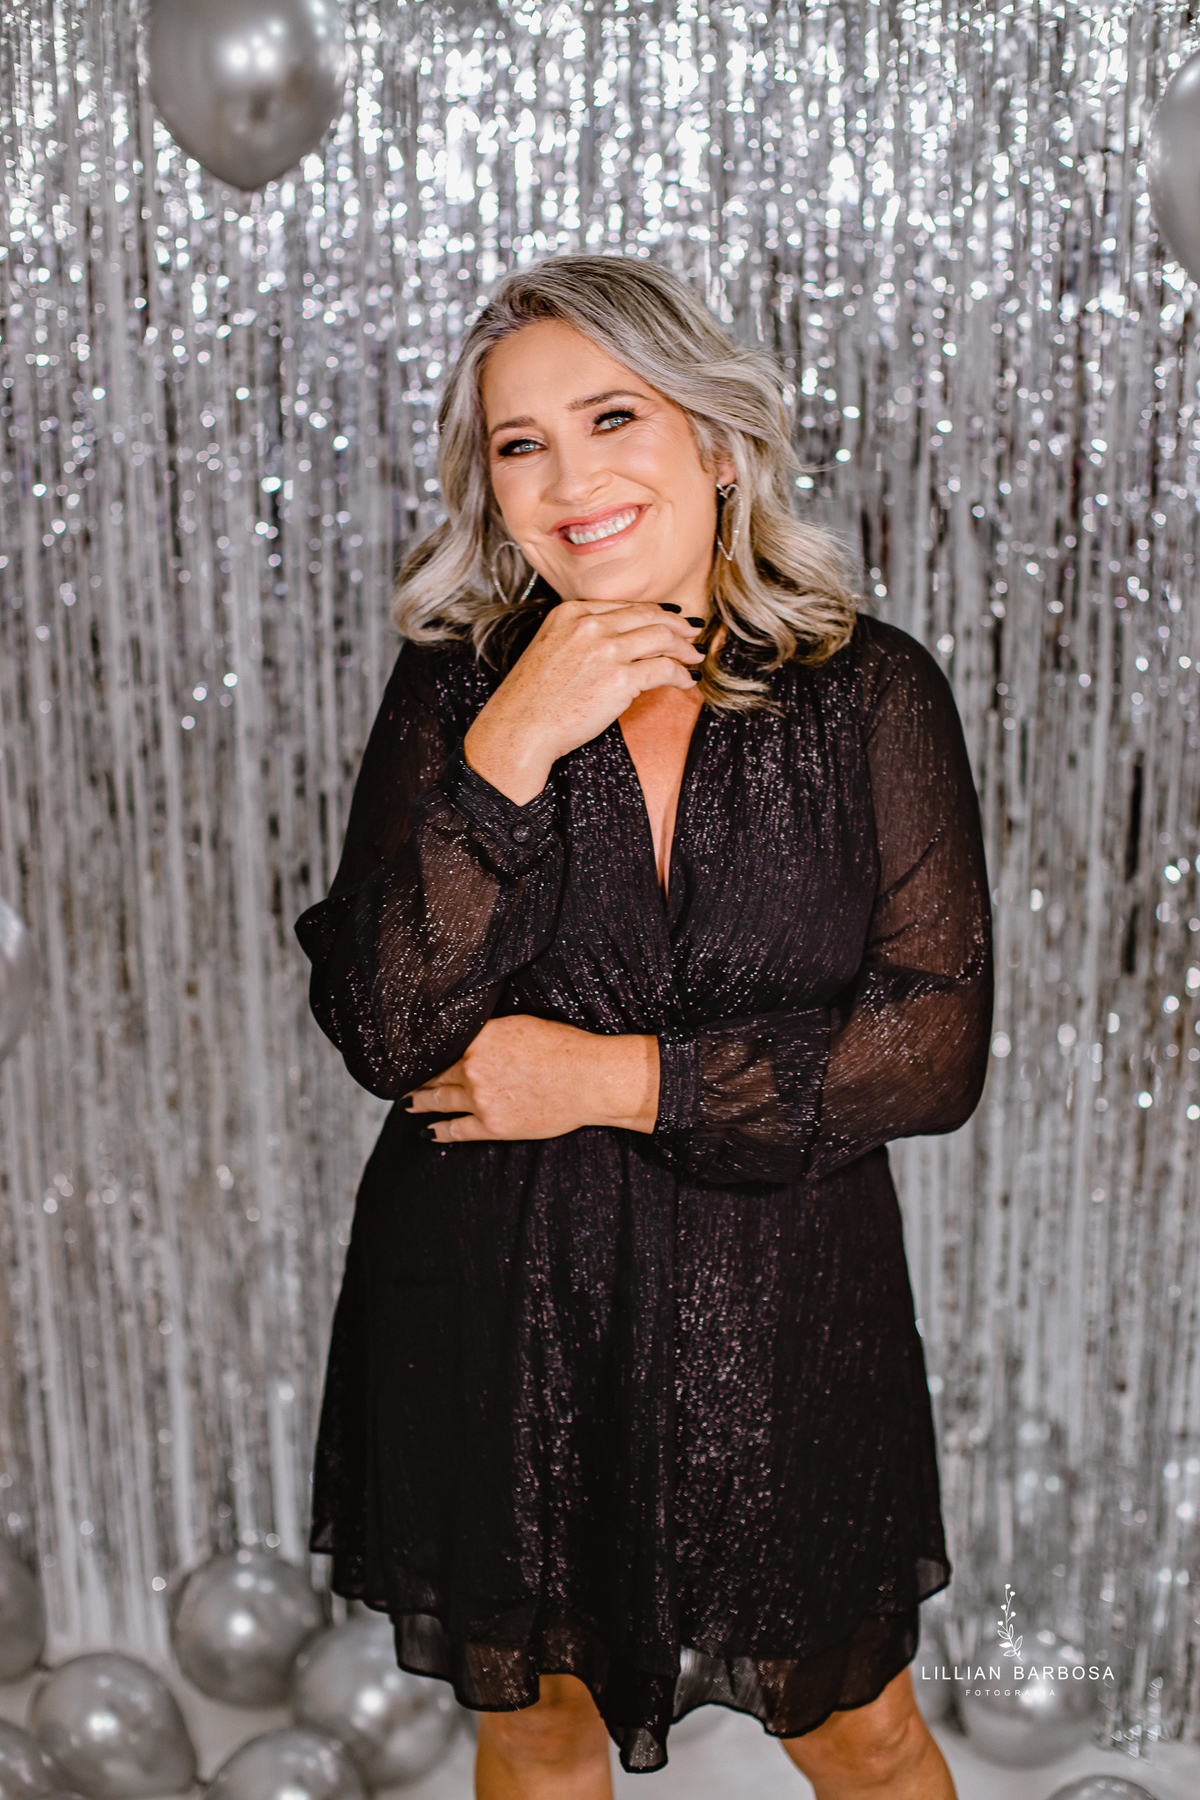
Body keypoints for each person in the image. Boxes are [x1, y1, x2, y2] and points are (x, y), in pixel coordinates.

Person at [294, 254, 993, 1800]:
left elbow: (934, 1047)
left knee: (865, 1734)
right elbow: (385, 1028)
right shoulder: (457, 692)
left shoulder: (872, 693)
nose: (569, 477)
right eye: (520, 443)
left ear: (717, 442)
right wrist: (513, 746)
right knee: (536, 1733)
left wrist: (614, 1078)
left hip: (780, 1314)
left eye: (613, 417)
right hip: (500, 1310)